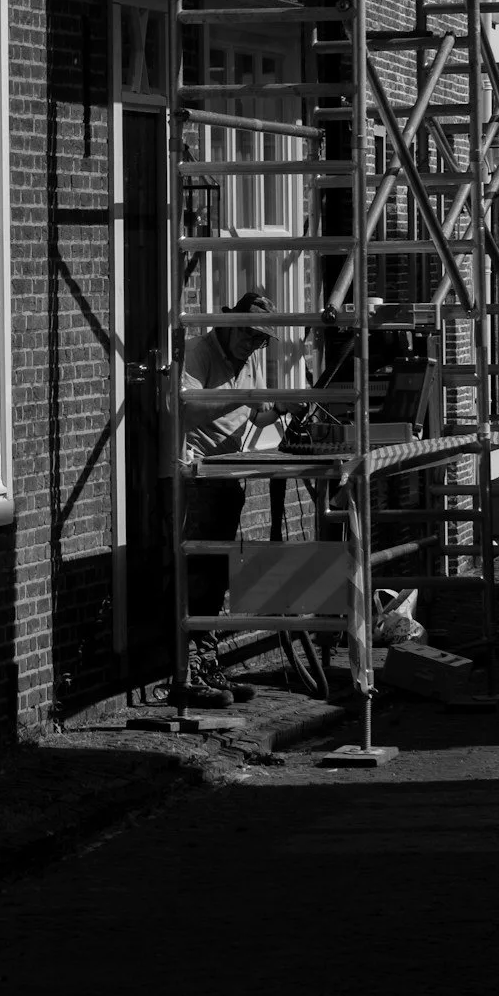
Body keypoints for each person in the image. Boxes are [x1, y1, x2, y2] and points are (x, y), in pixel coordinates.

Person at [176, 285, 279, 706]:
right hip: (196, 472)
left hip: (228, 470)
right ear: (229, 323)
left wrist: (283, 409)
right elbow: (186, 409)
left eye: (259, 339)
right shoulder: (197, 351)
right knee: (198, 568)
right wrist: (239, 397)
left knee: (217, 570)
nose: (252, 344)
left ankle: (207, 659)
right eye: (247, 334)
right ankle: (187, 668)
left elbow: (254, 412)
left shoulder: (249, 359)